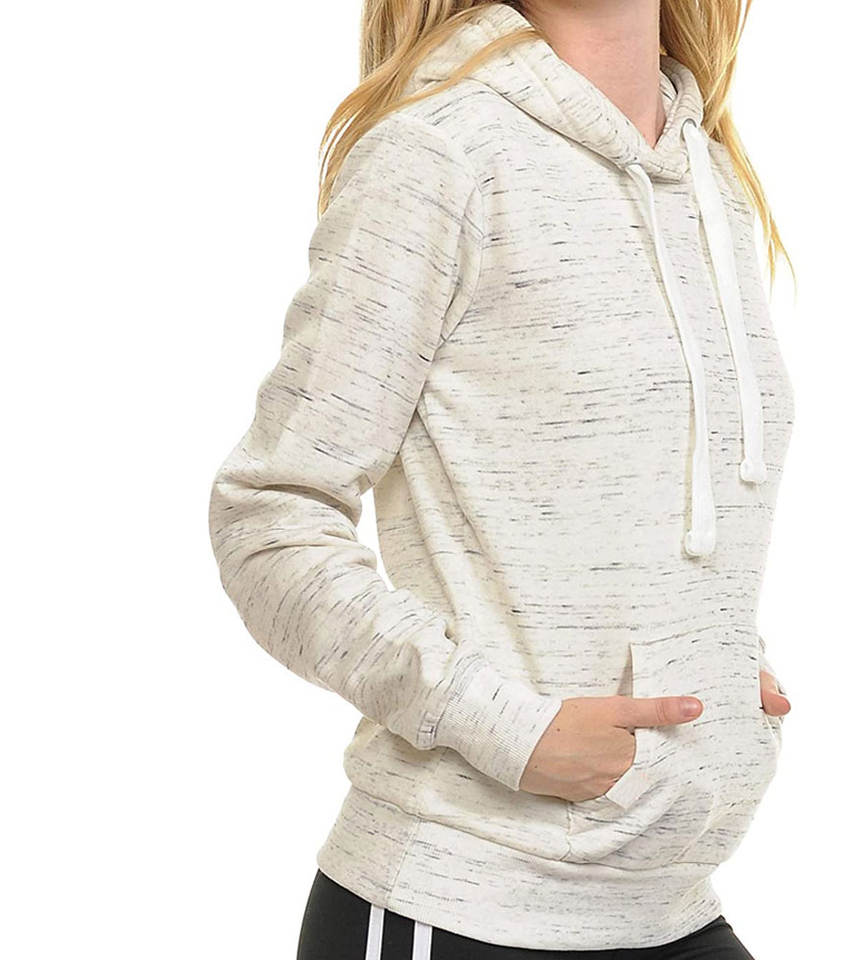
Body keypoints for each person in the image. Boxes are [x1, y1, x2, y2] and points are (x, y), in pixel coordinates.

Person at [207, 2, 795, 957]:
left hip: (666, 902)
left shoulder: (711, 179)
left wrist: (718, 657)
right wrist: (509, 728)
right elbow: (269, 519)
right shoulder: (439, 156)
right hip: (460, 899)